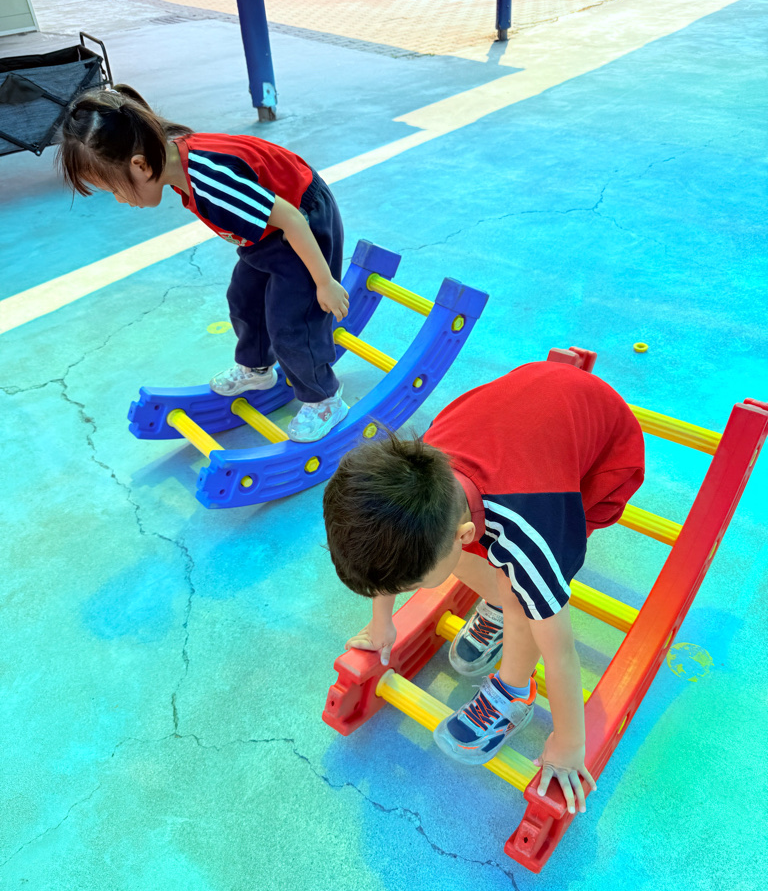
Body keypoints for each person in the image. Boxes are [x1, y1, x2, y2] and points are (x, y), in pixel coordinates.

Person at [323, 360, 645, 814]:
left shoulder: (530, 532)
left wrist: (570, 743)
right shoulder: (412, 478)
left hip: (605, 454)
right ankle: (498, 604)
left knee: (523, 595)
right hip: (529, 409)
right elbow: (386, 555)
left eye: (410, 584)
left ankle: (515, 690)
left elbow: (560, 653)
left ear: (464, 534)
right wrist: (381, 624)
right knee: (482, 573)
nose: (401, 589)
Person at [57, 84, 349, 442]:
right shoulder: (173, 159)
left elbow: (292, 219)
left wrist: (324, 282)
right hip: (266, 234)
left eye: (115, 189)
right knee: (244, 298)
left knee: (291, 320)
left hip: (303, 221)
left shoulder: (210, 180)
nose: (119, 199)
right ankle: (257, 368)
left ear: (140, 165)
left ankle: (324, 399)